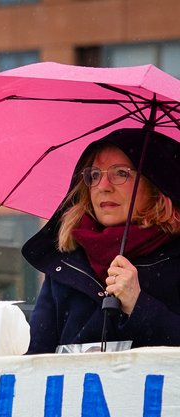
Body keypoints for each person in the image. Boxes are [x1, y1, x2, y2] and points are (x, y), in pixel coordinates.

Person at [23, 128, 180, 353]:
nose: (103, 186)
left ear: (155, 185)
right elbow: (35, 362)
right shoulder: (65, 263)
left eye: (120, 173)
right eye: (95, 175)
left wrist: (138, 304)